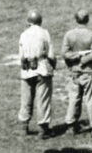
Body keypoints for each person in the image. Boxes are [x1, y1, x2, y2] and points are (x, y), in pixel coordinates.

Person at [62, 9, 92, 135]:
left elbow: (64, 54)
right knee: (91, 99)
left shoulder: (69, 35)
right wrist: (83, 60)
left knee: (74, 98)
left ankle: (71, 124)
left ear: (76, 19)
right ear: (87, 19)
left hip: (74, 71)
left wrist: (76, 57)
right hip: (89, 71)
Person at [18, 10, 55, 139]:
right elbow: (51, 55)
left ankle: (24, 126)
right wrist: (53, 66)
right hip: (42, 69)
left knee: (26, 100)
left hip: (26, 70)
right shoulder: (44, 33)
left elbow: (21, 55)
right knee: (43, 100)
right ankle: (42, 129)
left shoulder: (23, 34)